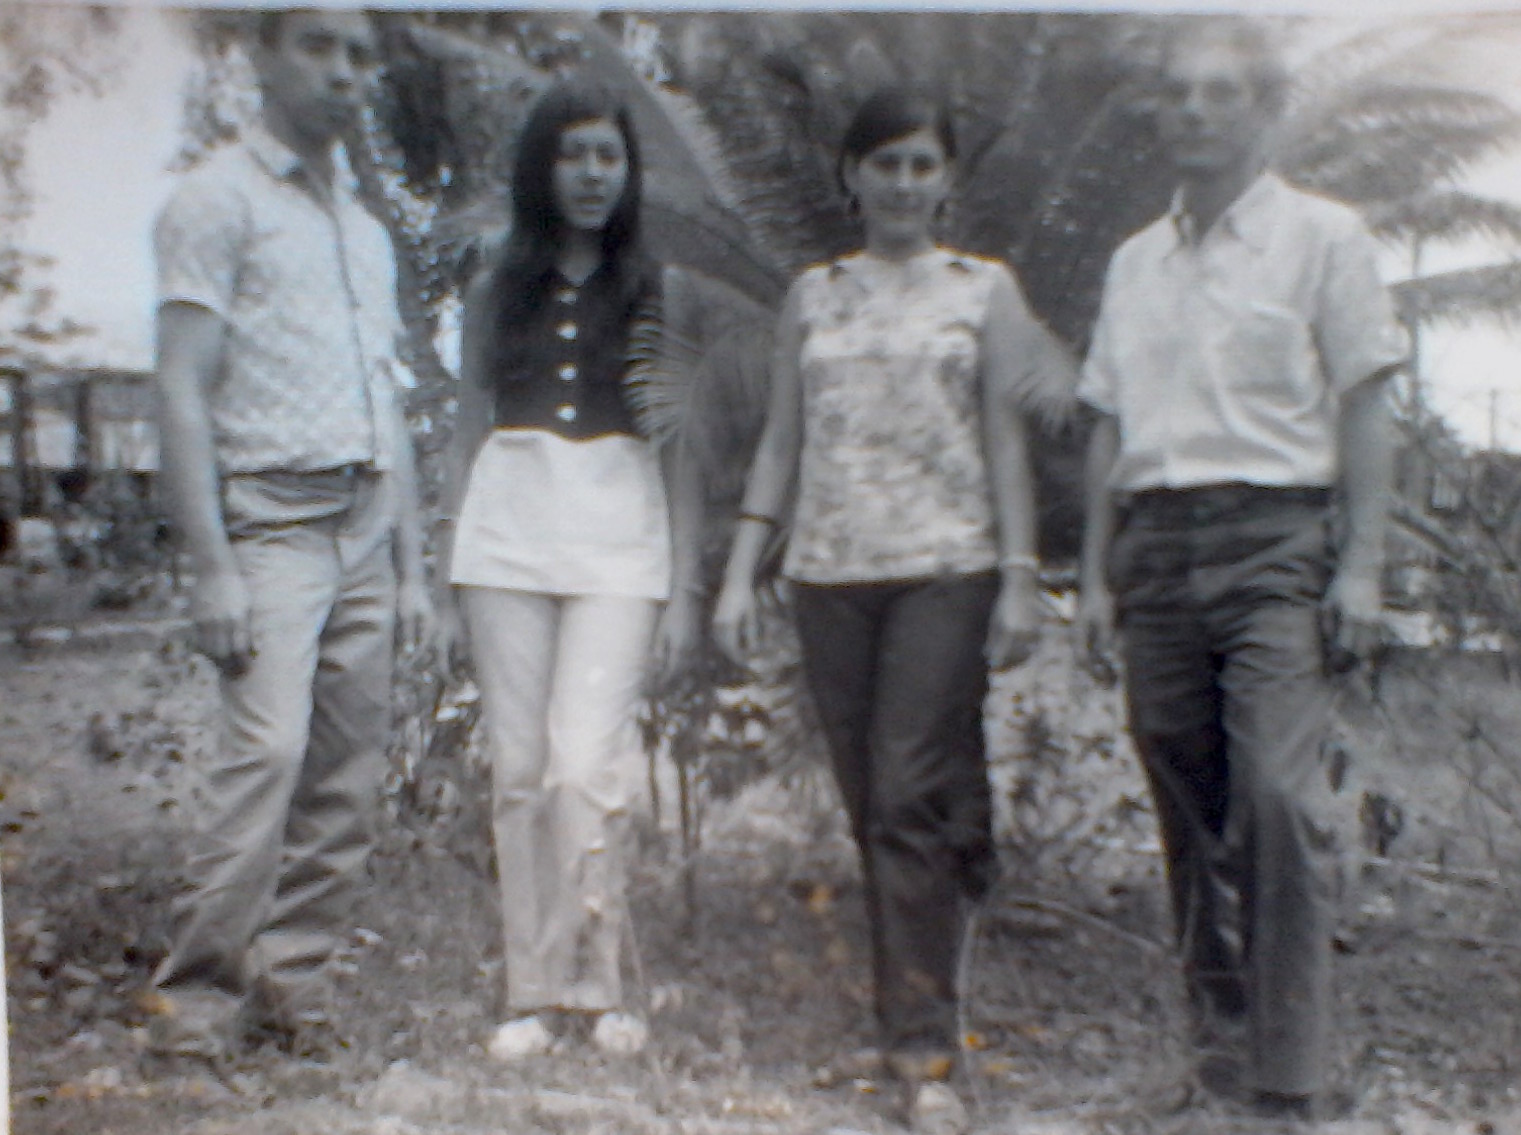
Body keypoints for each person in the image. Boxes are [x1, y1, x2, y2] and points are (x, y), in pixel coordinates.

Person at [712, 86, 1069, 1133]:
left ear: (947, 180)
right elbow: (782, 438)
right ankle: (961, 860)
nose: (904, 184)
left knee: (905, 790)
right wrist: (741, 569)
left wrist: (1018, 573)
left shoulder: (983, 289)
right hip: (828, 574)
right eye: (886, 164)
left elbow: (1007, 442)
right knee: (884, 803)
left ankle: (921, 1056)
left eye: (923, 165)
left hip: (945, 569)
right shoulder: (812, 294)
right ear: (850, 176)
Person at [1075, 19, 1407, 1122]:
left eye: (1221, 93)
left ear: (1262, 109)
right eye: (1178, 93)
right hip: (1157, 553)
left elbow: (1366, 400)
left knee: (1274, 798)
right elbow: (1107, 426)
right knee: (1189, 805)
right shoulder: (1133, 260)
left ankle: (1289, 1084)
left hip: (1276, 544)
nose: (1196, 110)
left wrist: (1361, 567)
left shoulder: (1325, 237)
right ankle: (1218, 1058)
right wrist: (1096, 578)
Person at [149, 10, 432, 1061]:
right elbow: (177, 386)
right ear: (261, 56)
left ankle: (291, 987)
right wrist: (212, 565)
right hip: (269, 523)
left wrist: (409, 565)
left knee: (347, 772)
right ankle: (191, 1011)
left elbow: (385, 403)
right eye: (319, 46)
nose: (345, 73)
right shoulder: (213, 197)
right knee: (265, 753)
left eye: (361, 55)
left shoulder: (362, 227)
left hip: (366, 521)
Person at [436, 79, 701, 1062]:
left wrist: (683, 585)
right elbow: (468, 426)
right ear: (540, 168)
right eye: (572, 153)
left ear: (628, 173)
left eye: (609, 156)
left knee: (585, 764)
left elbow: (679, 448)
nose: (591, 174)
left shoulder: (654, 288)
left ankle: (597, 982)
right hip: (506, 535)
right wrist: (446, 559)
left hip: (618, 544)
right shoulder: (491, 285)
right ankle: (532, 993)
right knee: (519, 770)